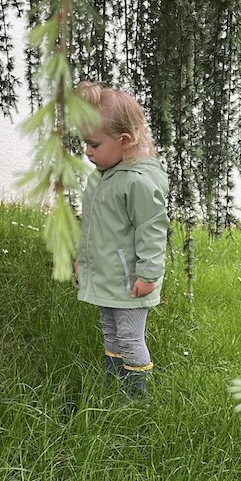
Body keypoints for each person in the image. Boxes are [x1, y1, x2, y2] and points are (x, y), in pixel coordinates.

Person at [75, 82, 168, 396]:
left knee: (130, 338)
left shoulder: (137, 182)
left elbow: (152, 230)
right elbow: (94, 228)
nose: (87, 151)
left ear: (124, 140)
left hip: (129, 281)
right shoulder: (101, 177)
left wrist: (149, 275)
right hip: (106, 277)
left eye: (94, 144)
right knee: (111, 333)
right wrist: (82, 258)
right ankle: (114, 383)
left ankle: (137, 398)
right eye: (85, 143)